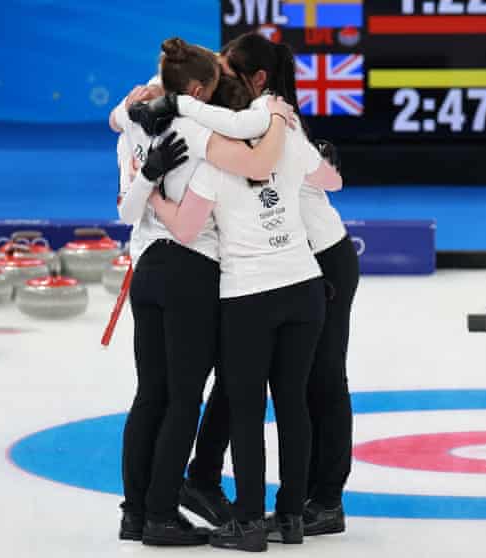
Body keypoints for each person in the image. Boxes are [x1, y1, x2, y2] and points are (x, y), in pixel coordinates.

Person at [146, 73, 342, 552]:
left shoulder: (213, 167)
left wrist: (150, 193)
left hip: (249, 296)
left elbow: (187, 230)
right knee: (293, 403)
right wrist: (287, 129)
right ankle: (291, 516)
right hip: (304, 285)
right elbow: (331, 179)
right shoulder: (291, 146)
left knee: (247, 410)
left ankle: (249, 521)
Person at [111, 37, 293, 546]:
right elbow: (255, 162)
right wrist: (276, 116)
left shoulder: (130, 120)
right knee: (184, 398)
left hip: (145, 265)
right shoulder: (195, 130)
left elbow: (117, 123)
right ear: (195, 89)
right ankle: (162, 514)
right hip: (190, 271)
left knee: (151, 394)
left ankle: (135, 511)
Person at [188, 32, 360, 537]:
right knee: (244, 373)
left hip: (320, 259)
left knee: (320, 380)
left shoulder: (269, 115)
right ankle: (209, 477)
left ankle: (324, 498)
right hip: (291, 262)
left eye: (226, 71)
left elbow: (328, 181)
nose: (217, 80)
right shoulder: (255, 114)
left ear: (256, 79)